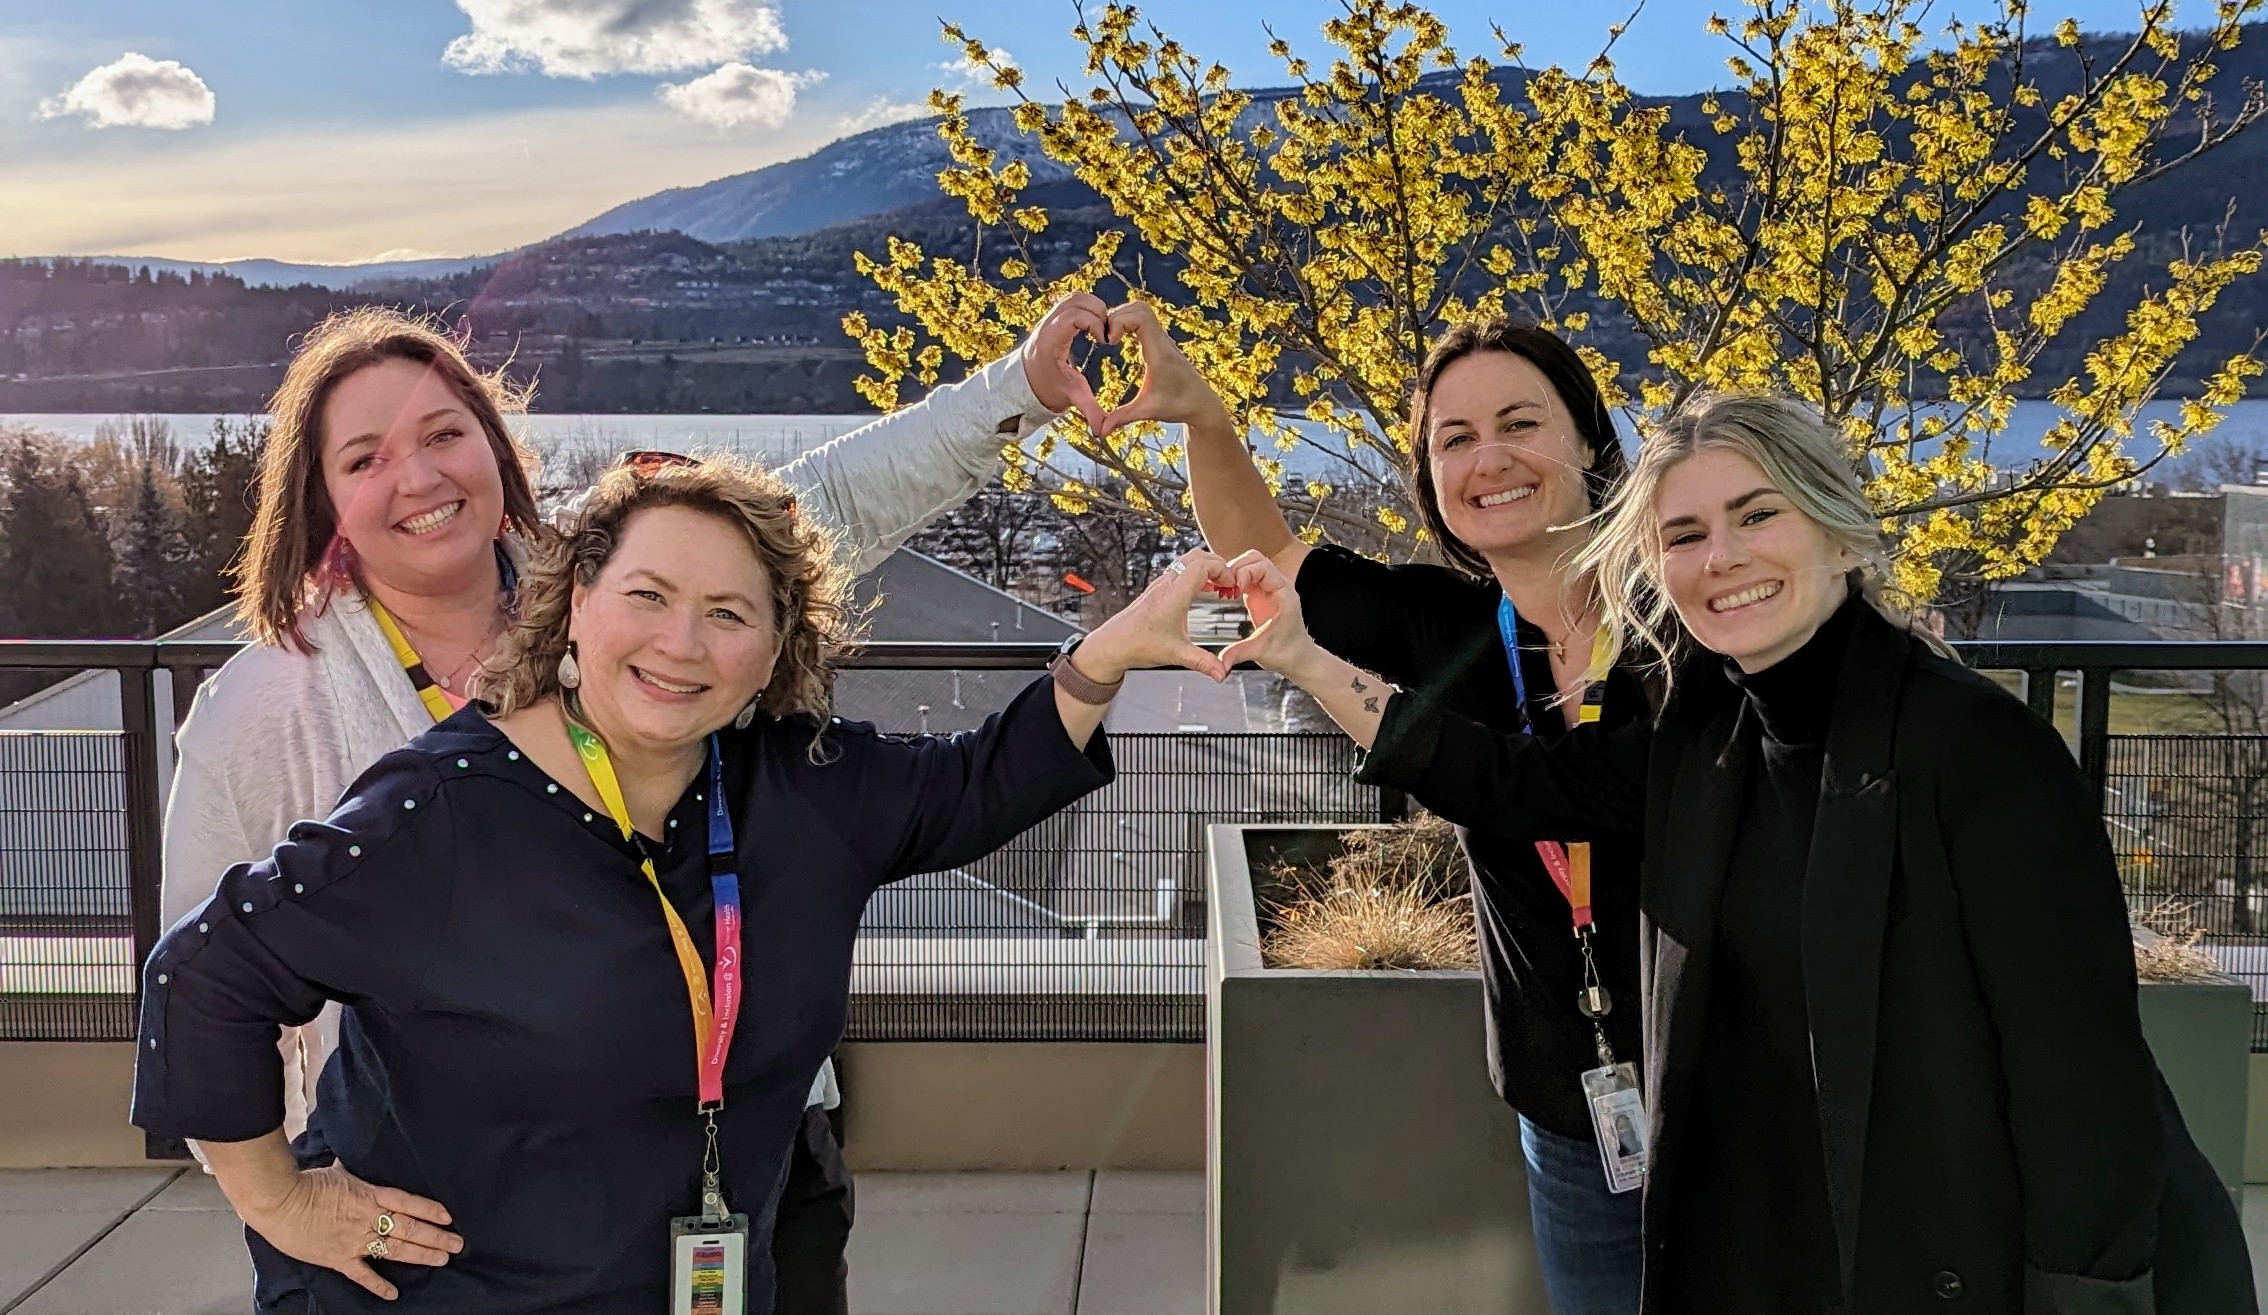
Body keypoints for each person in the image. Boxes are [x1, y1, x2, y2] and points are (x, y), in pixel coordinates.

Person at [156, 295, 1113, 1313]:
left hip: (740, 1161)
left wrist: (1022, 389)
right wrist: (280, 1200)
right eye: (365, 459)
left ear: (495, 443)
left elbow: (829, 501)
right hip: (472, 1215)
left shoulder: (625, 568)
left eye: (444, 433)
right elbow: (204, 972)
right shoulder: (263, 710)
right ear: (319, 500)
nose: (420, 476)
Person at [1217, 392, 2256, 1313]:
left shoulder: (1977, 750)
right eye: (1685, 533)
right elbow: (1512, 785)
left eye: (1759, 515)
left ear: (1839, 531)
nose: (1723, 558)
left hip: (1942, 1260)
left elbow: (2086, 1087)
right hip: (1759, 1248)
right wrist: (1307, 662)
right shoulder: (1703, 737)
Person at [1109, 301, 1646, 1311]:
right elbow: (1263, 552)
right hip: (1569, 1111)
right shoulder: (1454, 630)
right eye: (1455, 438)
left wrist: (1328, 679)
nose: (1490, 457)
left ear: (1589, 441)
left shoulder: (1675, 624)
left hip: (1736, 1096)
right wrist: (1203, 418)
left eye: (1521, 423)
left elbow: (1550, 791)